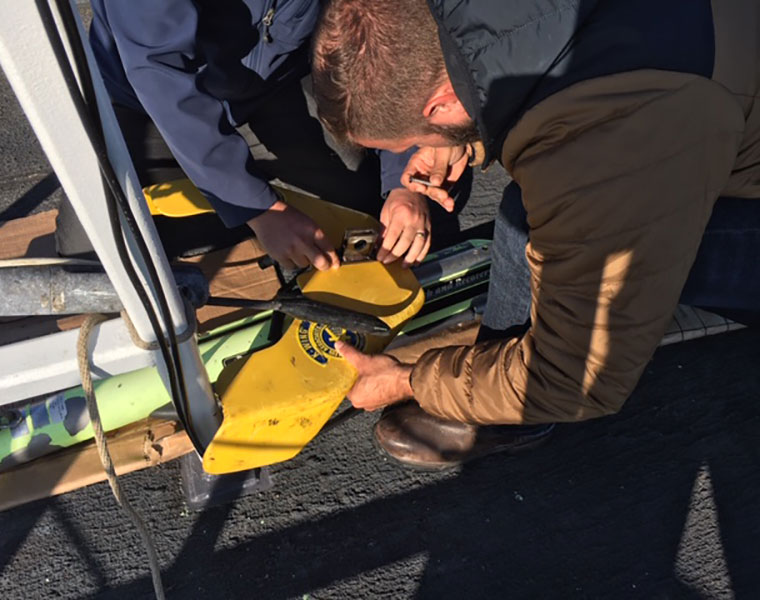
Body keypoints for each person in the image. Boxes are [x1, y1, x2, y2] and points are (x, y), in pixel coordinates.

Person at [311, 0, 760, 469]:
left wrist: (410, 380)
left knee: (541, 234)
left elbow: (580, 375)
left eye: (413, 142)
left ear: (441, 104)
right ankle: (490, 385)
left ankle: (508, 412)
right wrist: (465, 135)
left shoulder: (601, 150)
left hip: (704, 143)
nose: (419, 155)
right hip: (720, 95)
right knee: (530, 218)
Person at [56, 0, 432, 270]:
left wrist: (405, 177)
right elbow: (161, 75)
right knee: (89, 256)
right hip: (147, 105)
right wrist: (259, 208)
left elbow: (391, 28)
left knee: (361, 215)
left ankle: (235, 202)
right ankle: (232, 203)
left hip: (275, 85)